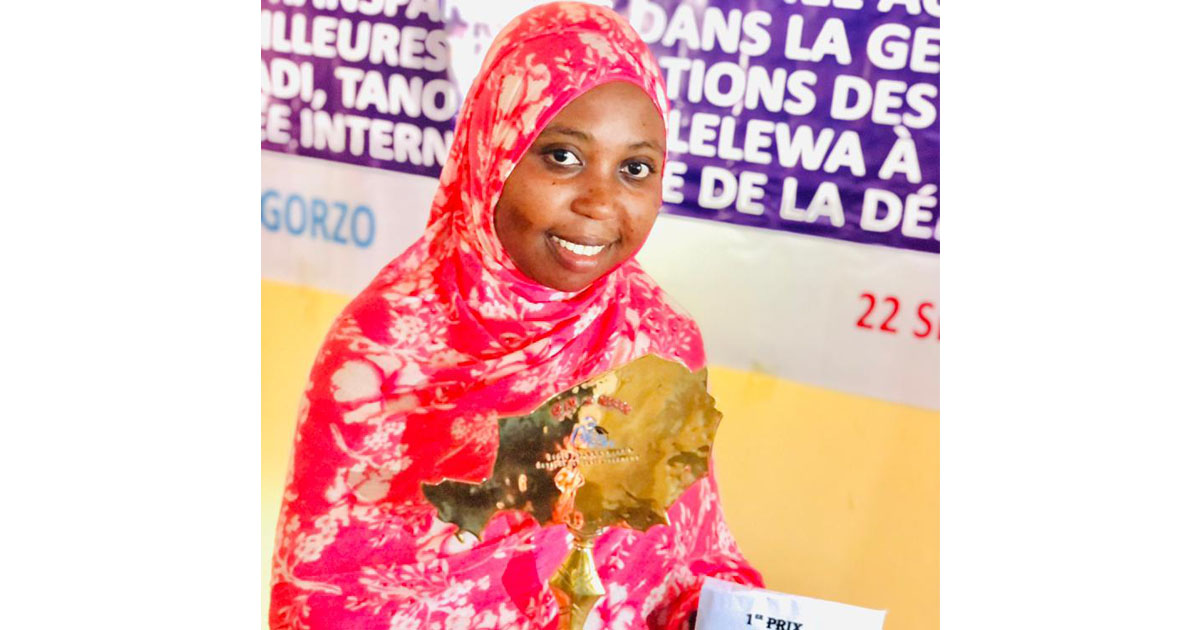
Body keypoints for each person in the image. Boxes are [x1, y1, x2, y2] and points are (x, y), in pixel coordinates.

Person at [269, 4, 762, 629]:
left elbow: (689, 558)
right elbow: (327, 601)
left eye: (635, 169)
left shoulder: (657, 338)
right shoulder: (386, 352)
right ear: (493, 152)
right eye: (561, 157)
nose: (600, 202)